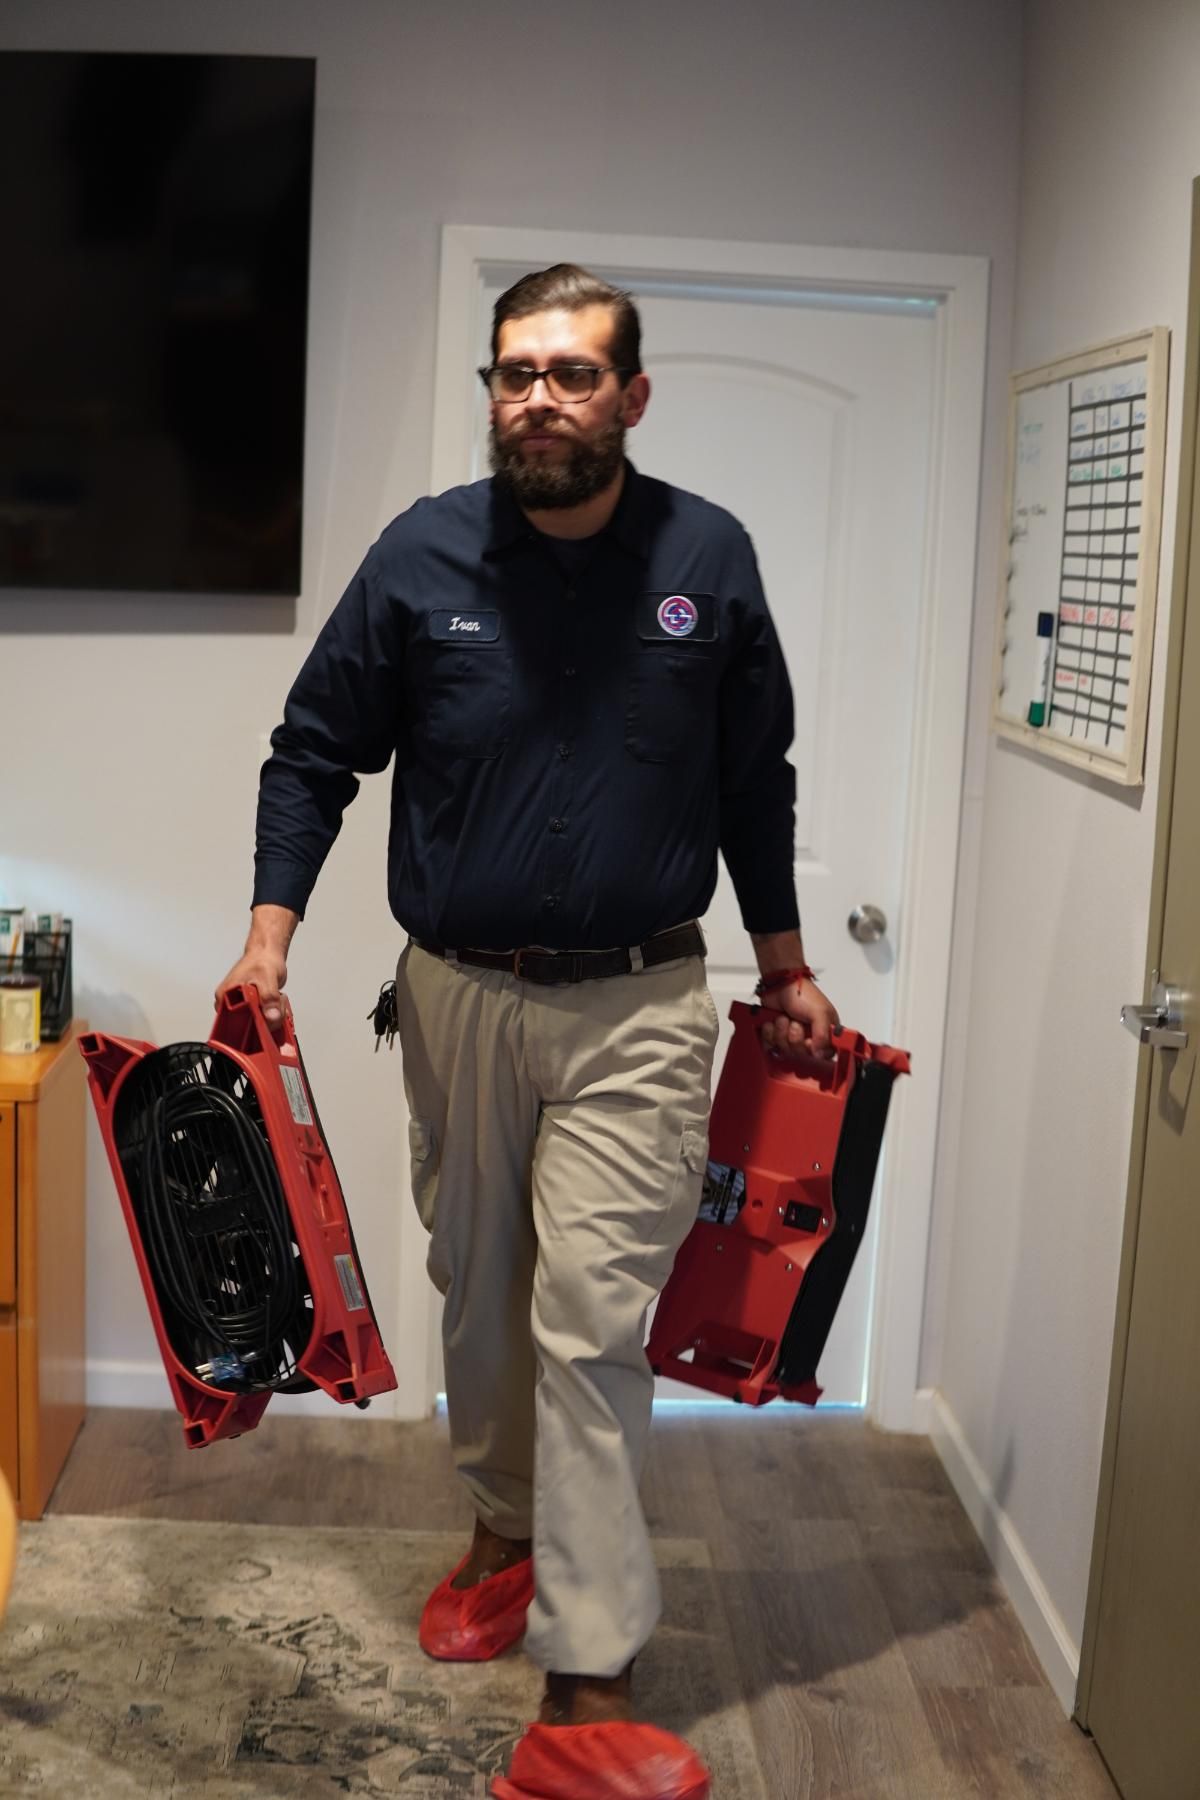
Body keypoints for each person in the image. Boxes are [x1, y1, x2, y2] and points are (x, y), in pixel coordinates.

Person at [217, 263, 838, 1800]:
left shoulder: (710, 556)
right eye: (513, 373)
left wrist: (786, 965)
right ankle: (501, 1530)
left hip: (640, 999)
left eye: (571, 373)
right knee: (479, 1294)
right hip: (454, 996)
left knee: (592, 1326)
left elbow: (757, 778)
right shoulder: (422, 555)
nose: (538, 398)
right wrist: (268, 937)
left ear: (632, 395)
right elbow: (311, 757)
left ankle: (585, 1689)